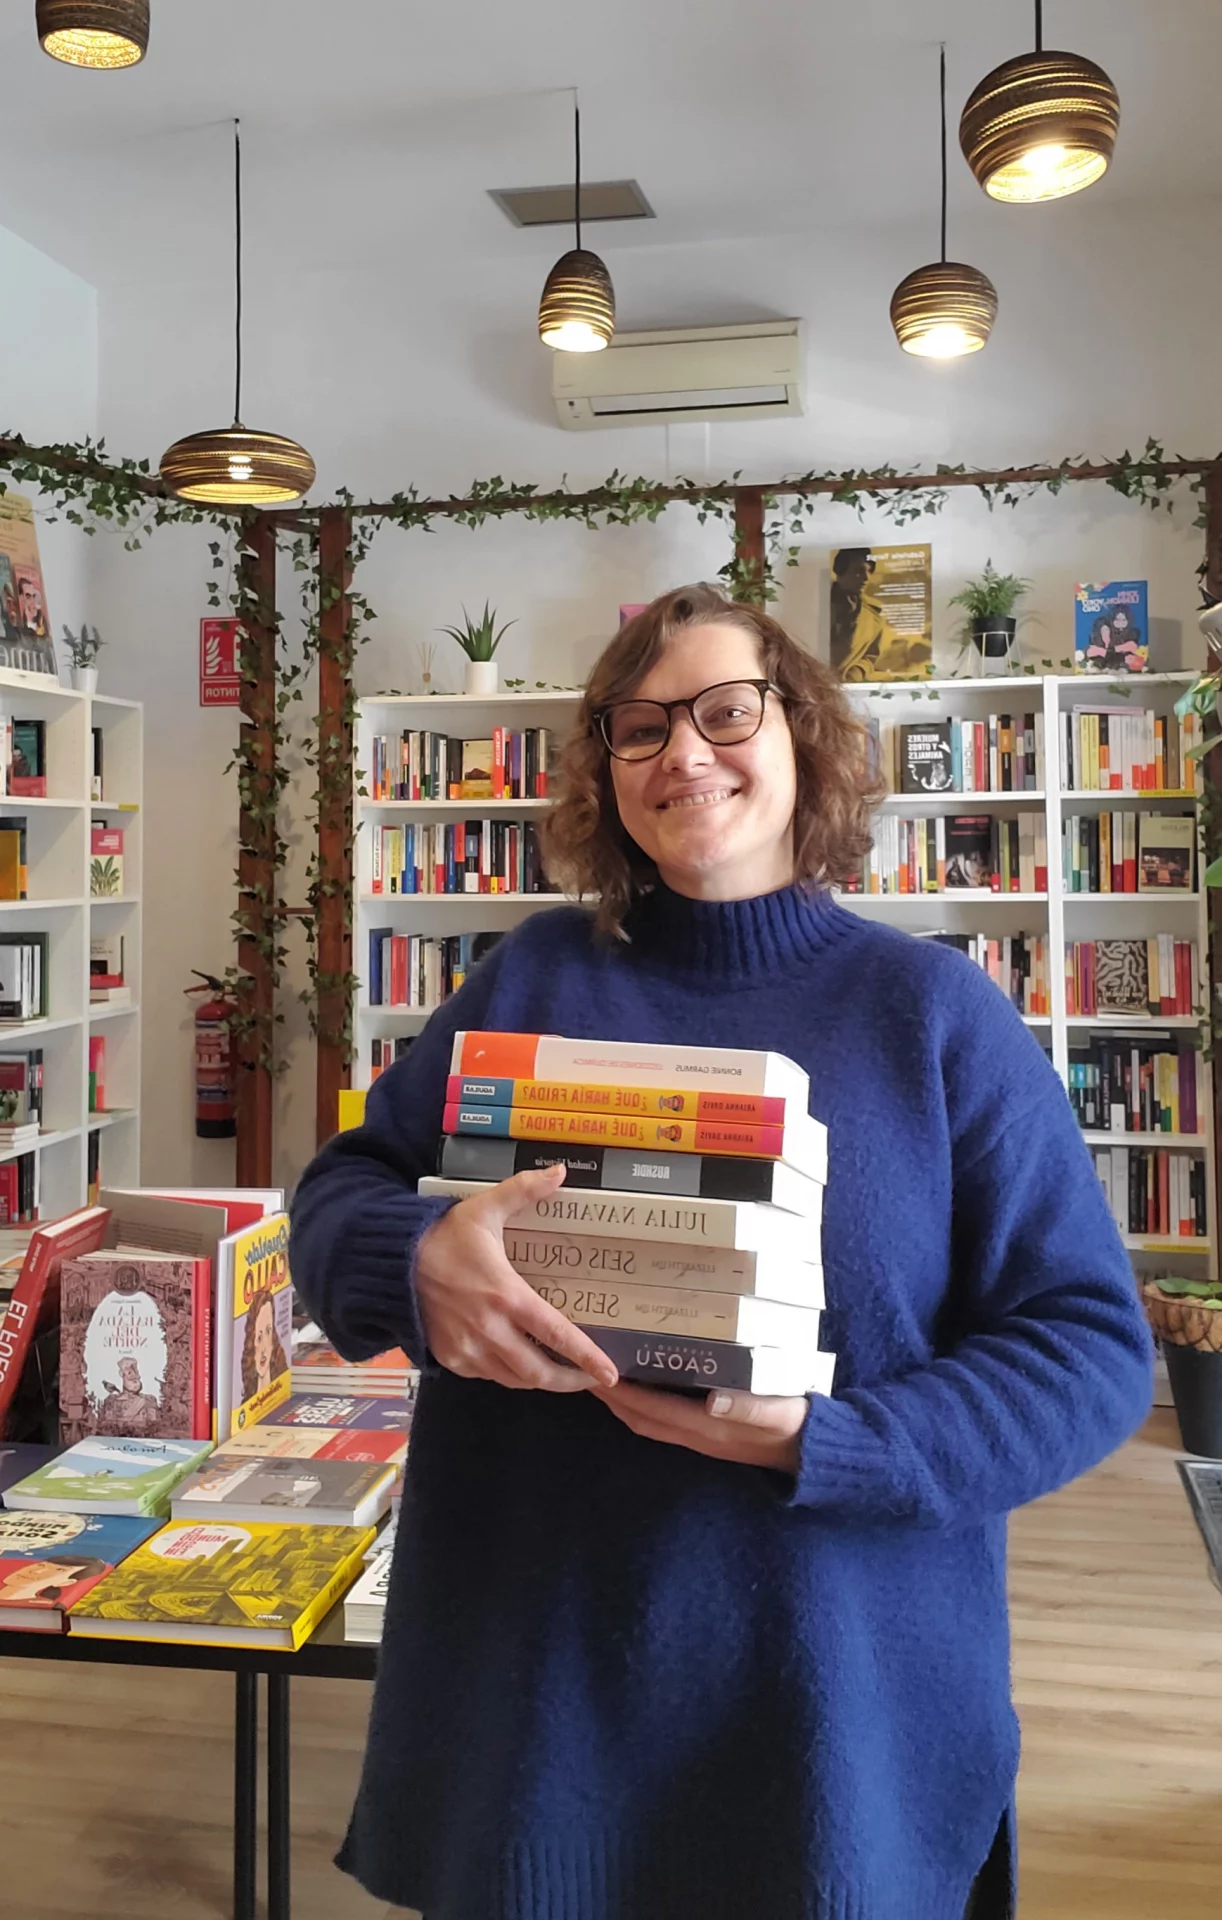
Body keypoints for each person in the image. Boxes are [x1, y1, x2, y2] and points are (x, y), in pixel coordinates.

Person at [290, 584, 1152, 1920]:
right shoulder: (524, 982)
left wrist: (830, 1442)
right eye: (639, 728)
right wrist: (413, 1261)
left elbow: (1089, 1354)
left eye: (723, 712)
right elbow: (344, 1184)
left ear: (801, 733)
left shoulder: (929, 1015)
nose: (682, 753)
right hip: (541, 1721)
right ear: (604, 771)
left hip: (831, 1735)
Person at [239, 1285, 288, 1402]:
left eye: (268, 1331)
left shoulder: (282, 1382)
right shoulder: (245, 1405)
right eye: (259, 1337)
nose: (264, 1347)